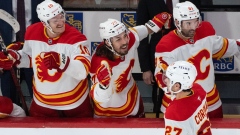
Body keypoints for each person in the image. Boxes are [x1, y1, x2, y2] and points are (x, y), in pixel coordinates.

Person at [0, 0, 93, 117]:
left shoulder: (76, 38)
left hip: (74, 102)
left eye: (61, 16)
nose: (61, 22)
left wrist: (62, 62)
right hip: (42, 103)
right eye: (55, 20)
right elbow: (30, 57)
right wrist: (16, 57)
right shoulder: (32, 32)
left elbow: (83, 70)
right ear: (44, 23)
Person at [154, 1, 240, 118]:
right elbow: (161, 77)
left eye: (196, 21)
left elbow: (224, 46)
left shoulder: (205, 30)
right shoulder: (166, 45)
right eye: (188, 23)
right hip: (180, 105)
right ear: (178, 23)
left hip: (210, 102)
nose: (193, 27)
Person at [89, 12, 171, 118]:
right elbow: (99, 98)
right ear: (108, 42)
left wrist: (160, 19)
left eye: (125, 36)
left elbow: (146, 29)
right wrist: (103, 87)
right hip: (108, 110)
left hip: (132, 98)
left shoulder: (129, 38)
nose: (124, 42)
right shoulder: (99, 64)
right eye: (118, 39)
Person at [136, 0, 202, 114]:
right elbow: (142, 33)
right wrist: (145, 68)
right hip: (160, 54)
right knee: (161, 92)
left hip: (189, 52)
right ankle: (164, 124)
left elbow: (197, 25)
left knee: (191, 88)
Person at [163, 61, 212, 135]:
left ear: (177, 86)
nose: (166, 80)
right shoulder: (199, 90)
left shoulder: (174, 113)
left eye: (169, 79)